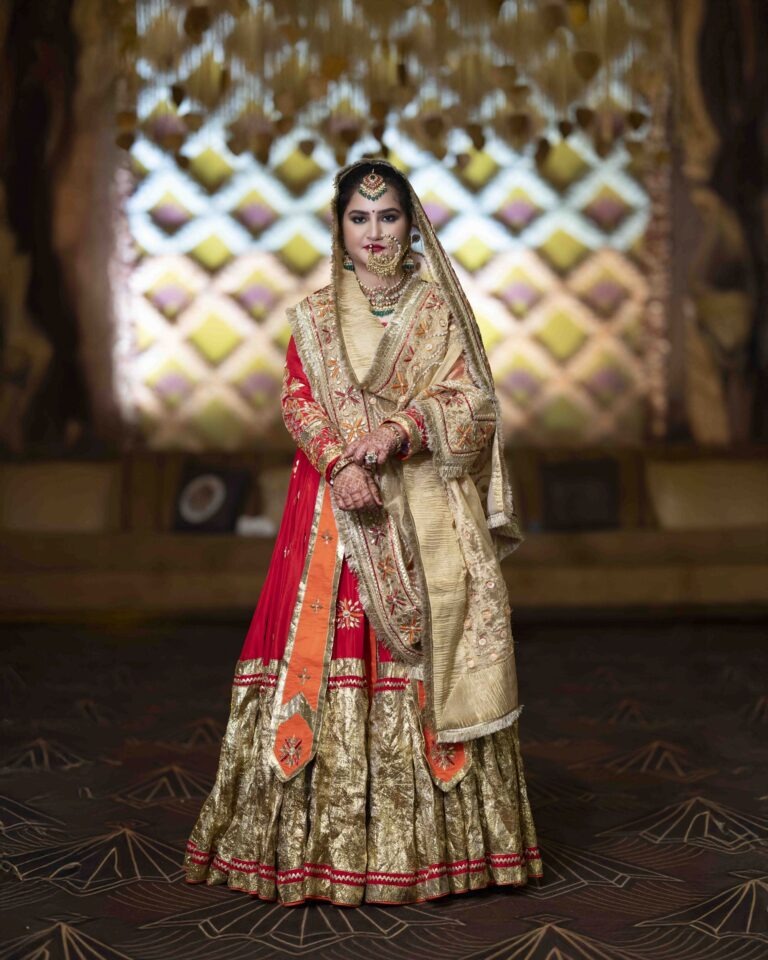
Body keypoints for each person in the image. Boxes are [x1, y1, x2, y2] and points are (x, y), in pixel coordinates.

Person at [183, 159, 542, 906]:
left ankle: (440, 855)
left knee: (426, 655)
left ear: (411, 224)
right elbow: (297, 399)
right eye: (359, 218)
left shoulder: (439, 312)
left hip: (420, 516)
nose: (374, 233)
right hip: (332, 520)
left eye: (388, 217)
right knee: (322, 651)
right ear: (338, 228)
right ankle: (309, 852)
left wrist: (400, 432)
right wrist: (339, 460)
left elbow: (473, 403)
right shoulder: (314, 316)